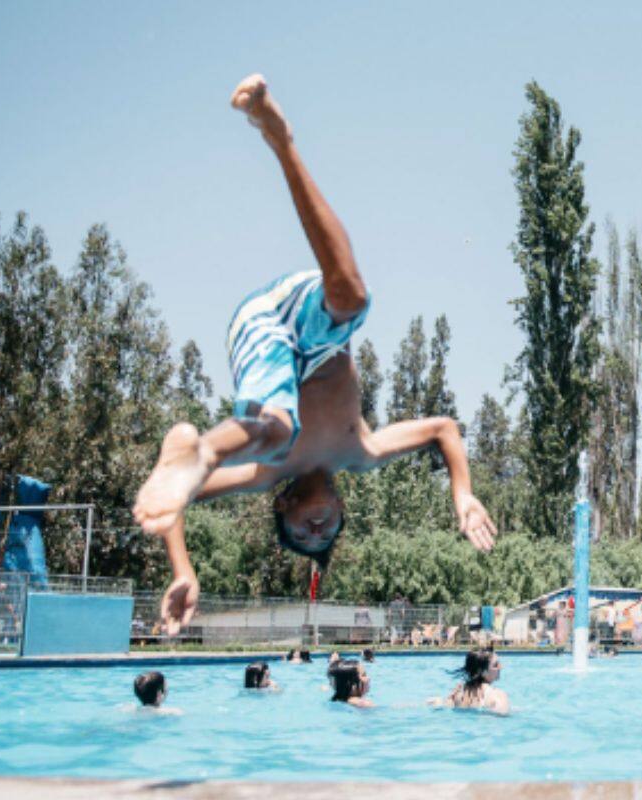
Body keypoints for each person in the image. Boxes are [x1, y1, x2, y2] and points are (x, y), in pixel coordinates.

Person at [133, 74, 498, 635]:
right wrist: (463, 495)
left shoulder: (264, 474)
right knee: (352, 299)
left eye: (303, 533)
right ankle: (281, 140)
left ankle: (200, 450)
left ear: (283, 508)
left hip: (263, 327)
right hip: (314, 328)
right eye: (326, 534)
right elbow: (444, 430)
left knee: (276, 431)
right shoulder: (364, 449)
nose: (317, 529)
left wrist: (182, 568)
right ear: (342, 512)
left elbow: (173, 502)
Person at [432, 650, 510, 715]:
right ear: (482, 672)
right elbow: (503, 715)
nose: (501, 667)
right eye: (496, 665)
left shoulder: (457, 693)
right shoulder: (497, 694)